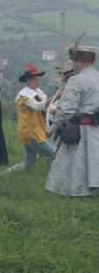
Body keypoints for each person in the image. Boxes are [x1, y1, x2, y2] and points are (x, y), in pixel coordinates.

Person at [45, 44, 99, 196]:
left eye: (73, 62)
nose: (72, 65)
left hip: (79, 130)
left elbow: (66, 110)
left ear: (80, 62)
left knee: (74, 163)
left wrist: (51, 128)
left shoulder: (76, 80)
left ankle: (76, 193)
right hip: (96, 129)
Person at [5, 64, 56, 173]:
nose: (37, 82)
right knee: (54, 155)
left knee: (29, 163)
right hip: (31, 133)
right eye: (34, 80)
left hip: (36, 131)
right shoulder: (23, 96)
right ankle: (54, 180)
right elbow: (38, 106)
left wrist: (56, 109)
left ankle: (4, 174)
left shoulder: (39, 92)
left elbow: (49, 107)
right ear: (27, 81)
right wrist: (56, 96)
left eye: (38, 80)